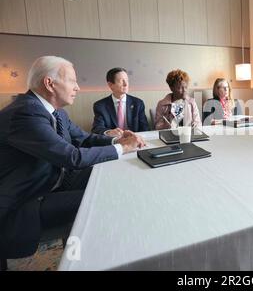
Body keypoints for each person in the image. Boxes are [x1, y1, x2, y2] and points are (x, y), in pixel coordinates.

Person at [0, 56, 145, 259]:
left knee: (115, 174)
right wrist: (122, 148)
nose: (78, 87)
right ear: (49, 83)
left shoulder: (56, 113)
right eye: (72, 81)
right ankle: (97, 260)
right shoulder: (25, 113)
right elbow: (72, 157)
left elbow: (84, 139)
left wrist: (116, 141)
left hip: (54, 179)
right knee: (105, 199)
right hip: (30, 198)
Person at [92, 67, 149, 136]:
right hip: (113, 142)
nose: (126, 84)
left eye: (127, 80)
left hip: (135, 141)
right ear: (110, 85)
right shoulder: (100, 106)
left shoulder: (138, 103)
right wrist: (109, 132)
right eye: (121, 81)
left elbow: (145, 128)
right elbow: (97, 128)